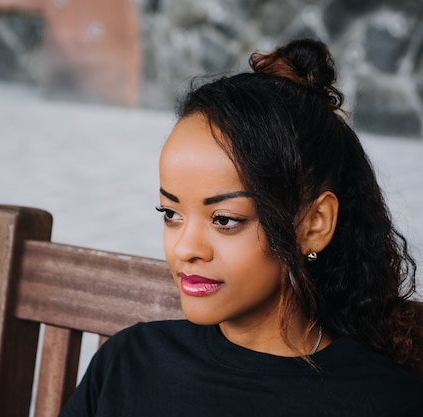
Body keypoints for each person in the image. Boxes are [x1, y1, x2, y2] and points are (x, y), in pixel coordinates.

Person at [58, 39, 423, 416]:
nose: (186, 248)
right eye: (171, 214)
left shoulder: (385, 403)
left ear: (314, 224)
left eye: (224, 220)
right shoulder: (128, 363)